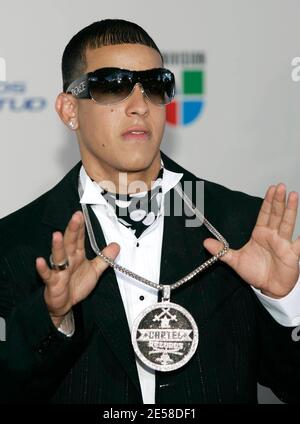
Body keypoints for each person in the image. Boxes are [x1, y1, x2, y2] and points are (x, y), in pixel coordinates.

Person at [0, 18, 300, 404]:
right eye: (112, 85)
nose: (140, 105)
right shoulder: (14, 245)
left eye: (155, 86)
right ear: (68, 109)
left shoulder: (239, 224)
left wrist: (285, 302)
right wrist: (53, 318)